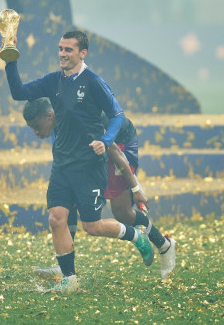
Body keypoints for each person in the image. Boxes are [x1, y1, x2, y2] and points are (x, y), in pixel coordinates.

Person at [4, 30, 153, 293]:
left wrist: (106, 140)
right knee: (57, 218)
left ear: (82, 53)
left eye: (68, 50)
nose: (62, 54)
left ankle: (136, 236)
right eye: (60, 49)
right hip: (61, 166)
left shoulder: (94, 82)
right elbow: (18, 92)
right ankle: (69, 280)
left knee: (92, 226)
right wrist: (10, 59)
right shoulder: (54, 81)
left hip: (88, 168)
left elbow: (117, 116)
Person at [23, 98, 176, 279]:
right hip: (96, 150)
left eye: (37, 126)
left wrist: (136, 188)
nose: (36, 132)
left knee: (122, 213)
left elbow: (114, 151)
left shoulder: (80, 120)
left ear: (50, 116)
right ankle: (65, 267)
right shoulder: (57, 119)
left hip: (119, 143)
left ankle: (164, 245)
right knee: (66, 202)